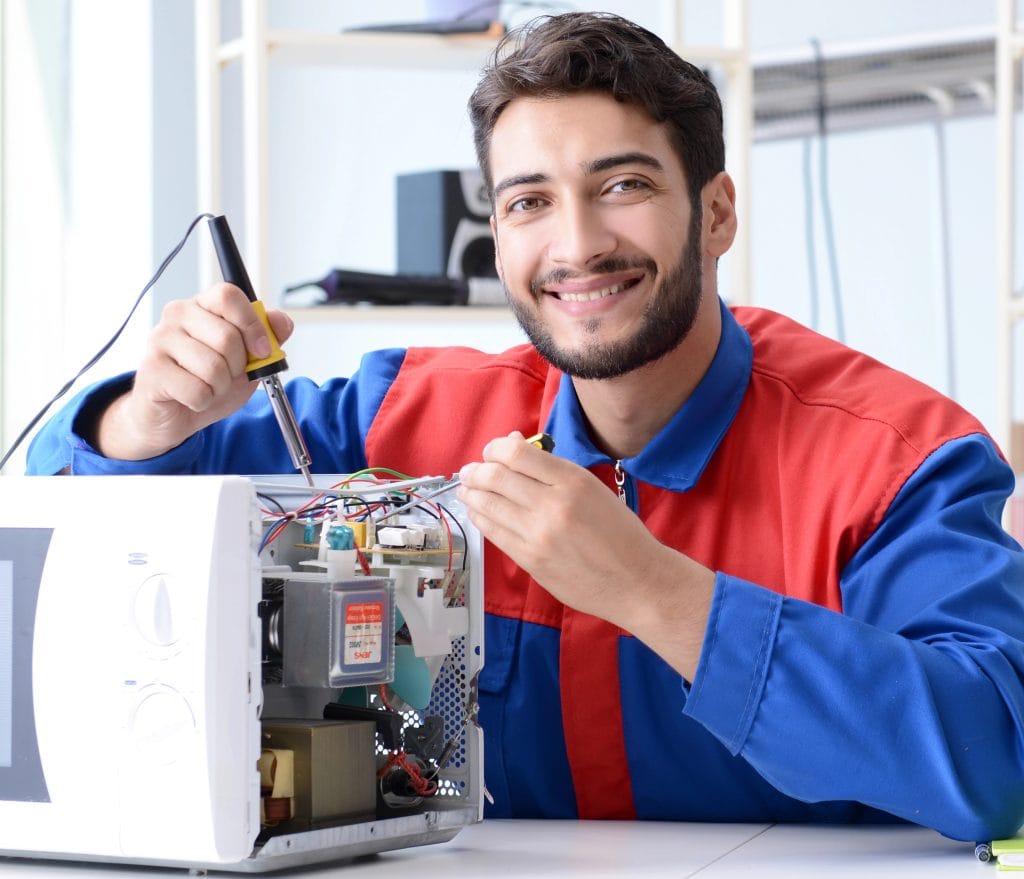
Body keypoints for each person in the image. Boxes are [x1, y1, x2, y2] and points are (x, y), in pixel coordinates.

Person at [26, 12, 1024, 842]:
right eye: (530, 202)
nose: (577, 244)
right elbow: (89, 505)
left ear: (717, 212)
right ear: (498, 237)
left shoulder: (896, 460)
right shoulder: (402, 419)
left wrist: (655, 592)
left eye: (624, 186)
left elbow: (1000, 757)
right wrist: (146, 417)